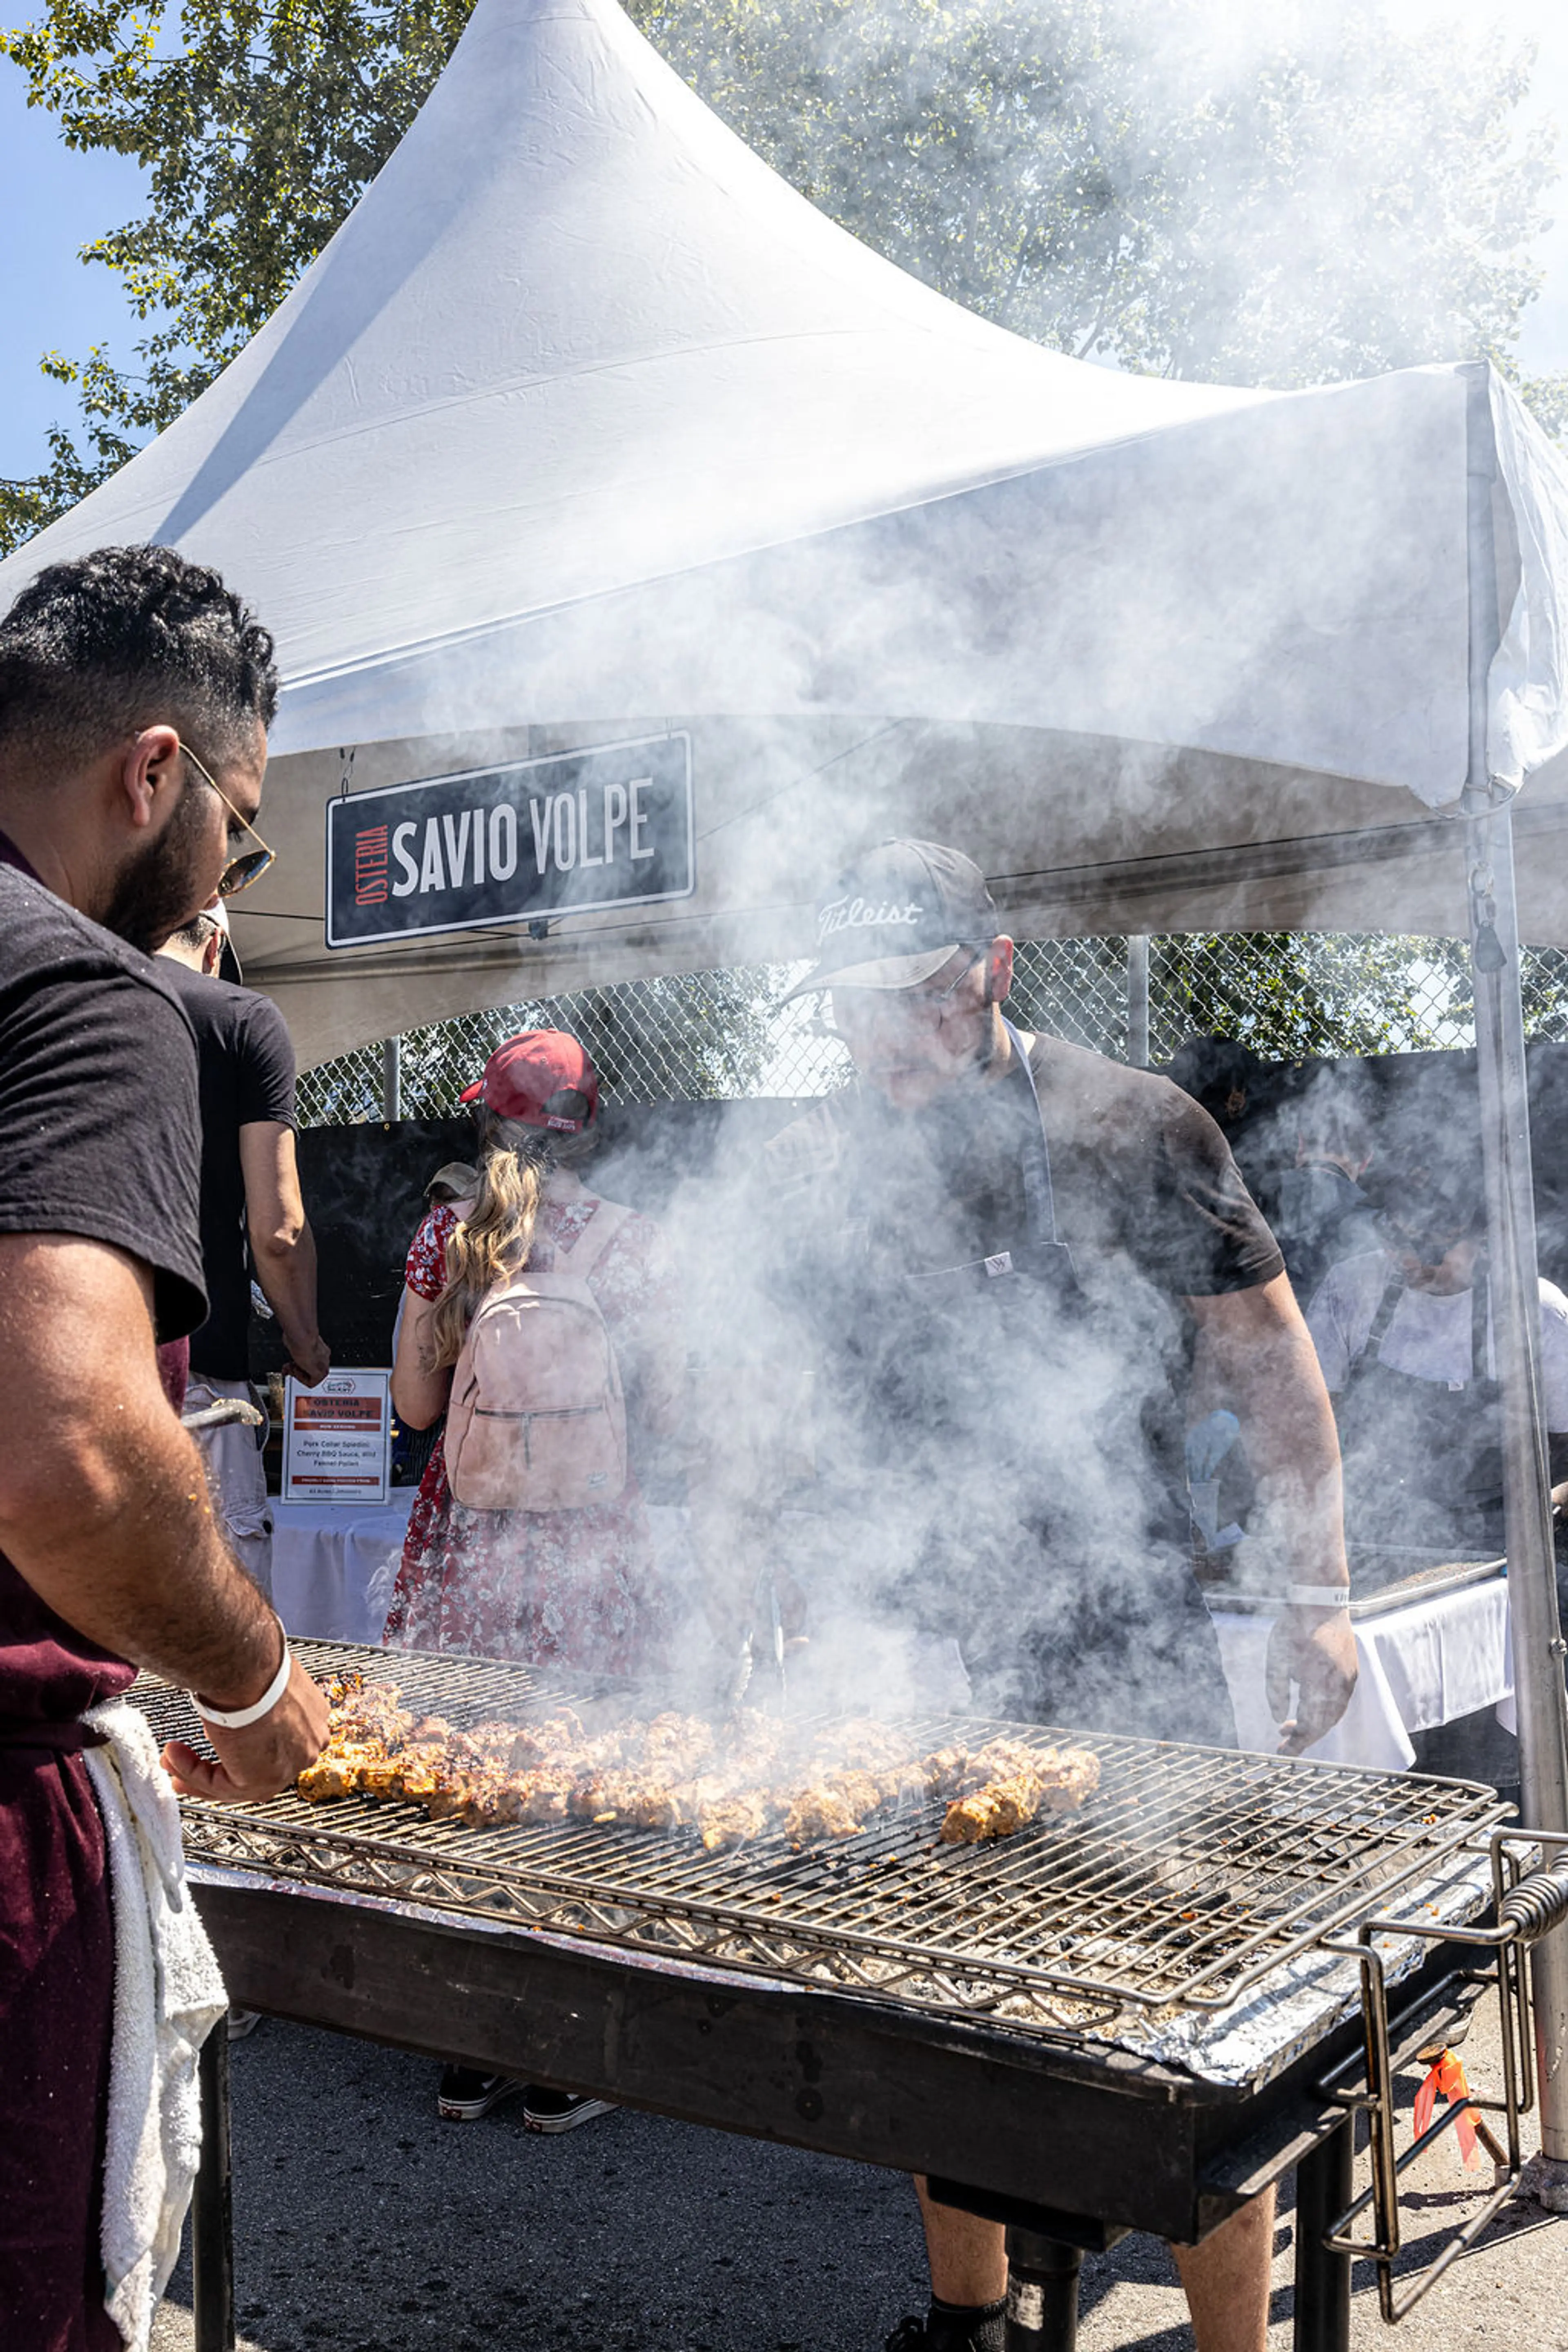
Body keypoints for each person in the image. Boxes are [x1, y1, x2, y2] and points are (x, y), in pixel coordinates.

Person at [690, 841, 1356, 2352]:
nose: (884, 1040)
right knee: (936, 1991)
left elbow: (1271, 1363)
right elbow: (765, 1379)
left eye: (916, 998)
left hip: (1121, 1626)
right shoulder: (826, 1155)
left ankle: (1227, 2344)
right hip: (911, 1631)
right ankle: (970, 2317)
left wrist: (1315, 1587)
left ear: (992, 965)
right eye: (855, 1009)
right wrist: (742, 1545)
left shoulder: (1135, 1123)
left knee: (1183, 2005)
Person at [0, 543, 329, 2351]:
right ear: (154, 774)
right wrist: (239, 1671)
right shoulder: (81, 992)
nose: (230, 869)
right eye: (245, 824)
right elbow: (73, 1461)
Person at [386, 1027, 684, 2129]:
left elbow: (417, 1410)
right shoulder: (636, 1245)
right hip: (592, 1540)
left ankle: (469, 2048)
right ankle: (568, 2061)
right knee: (584, 1775)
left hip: (470, 1537)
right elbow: (669, 1409)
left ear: (485, 1121)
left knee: (469, 1770)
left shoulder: (444, 1236)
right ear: (589, 1129)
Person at [158, 900, 331, 1595]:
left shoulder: (69, 999)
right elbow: (279, 1230)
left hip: (72, 1368)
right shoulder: (241, 1020)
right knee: (224, 1632)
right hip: (198, 1375)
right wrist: (307, 1344)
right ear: (214, 947)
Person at [1305, 1161, 1568, 1560]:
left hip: (1502, 1542)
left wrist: (1548, 1504)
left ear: (1483, 1237)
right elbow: (1311, 1423)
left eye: (1432, 1251)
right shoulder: (1350, 1288)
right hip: (1372, 1531)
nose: (1412, 1262)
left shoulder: (1535, 1309)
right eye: (1398, 1241)